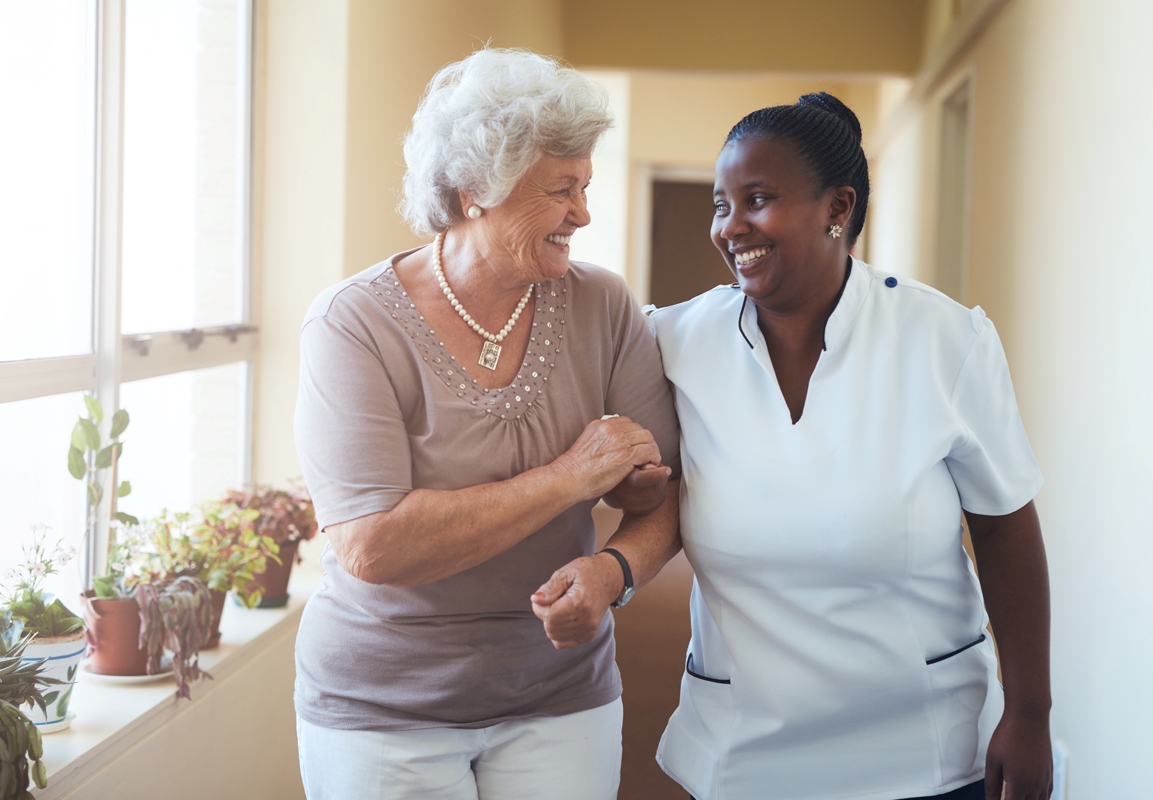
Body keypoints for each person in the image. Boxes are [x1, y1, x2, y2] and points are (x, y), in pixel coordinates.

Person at [291, 49, 680, 800]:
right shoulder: (353, 324)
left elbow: (661, 496)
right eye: (561, 189)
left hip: (561, 692)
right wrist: (571, 477)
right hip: (382, 708)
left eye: (587, 186)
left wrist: (614, 568)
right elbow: (373, 545)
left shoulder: (603, 305)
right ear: (475, 191)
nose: (584, 213)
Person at [644, 93, 1053, 800]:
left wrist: (1030, 711)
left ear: (839, 208)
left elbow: (1005, 529)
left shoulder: (943, 341)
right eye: (721, 204)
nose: (730, 226)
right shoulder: (673, 343)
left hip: (922, 752)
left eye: (758, 199)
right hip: (744, 753)